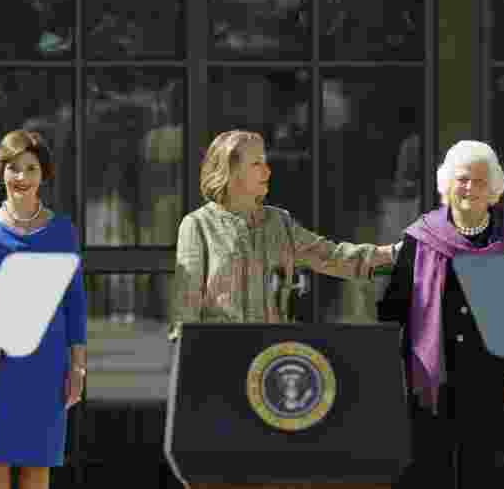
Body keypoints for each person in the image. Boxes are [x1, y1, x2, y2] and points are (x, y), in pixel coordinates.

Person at [167, 129, 398, 489]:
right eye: (257, 162)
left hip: (272, 371)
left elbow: (335, 257)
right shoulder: (197, 225)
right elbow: (186, 308)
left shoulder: (281, 223)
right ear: (230, 171)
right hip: (218, 372)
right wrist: (191, 380)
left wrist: (399, 254)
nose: (268, 170)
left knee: (273, 474)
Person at [376, 140, 504, 488]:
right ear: (447, 184)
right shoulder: (420, 237)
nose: (470, 188)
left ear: (493, 190)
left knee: (480, 471)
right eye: (462, 179)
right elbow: (393, 308)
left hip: (488, 377)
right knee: (432, 471)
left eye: (480, 181)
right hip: (430, 376)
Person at [0, 129, 88, 489]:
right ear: (1, 173)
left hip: (46, 368)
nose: (22, 178)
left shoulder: (62, 231)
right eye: (14, 169)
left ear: (43, 174)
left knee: (37, 468)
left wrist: (78, 366)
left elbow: (75, 303)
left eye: (31, 168)